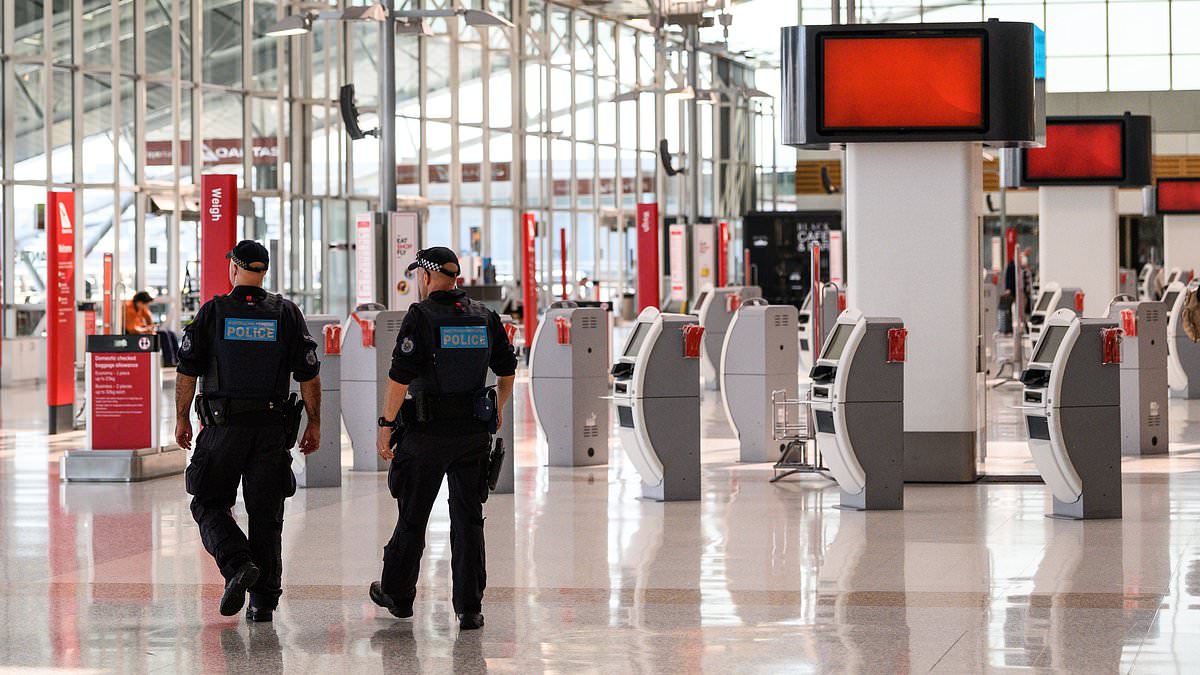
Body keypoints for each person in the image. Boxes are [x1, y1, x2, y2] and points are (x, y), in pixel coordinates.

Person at [174, 240, 323, 623]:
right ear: (264, 271)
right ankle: (263, 604)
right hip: (272, 430)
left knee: (208, 502)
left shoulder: (213, 311)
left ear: (234, 268)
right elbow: (308, 375)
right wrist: (315, 422)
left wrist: (181, 418)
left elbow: (187, 371)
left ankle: (237, 562)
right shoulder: (287, 313)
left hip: (223, 428)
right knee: (266, 515)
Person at [370, 246, 517, 631]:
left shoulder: (421, 316)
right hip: (472, 435)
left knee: (413, 516)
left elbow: (399, 378)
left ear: (427, 276)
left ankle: (398, 595)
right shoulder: (483, 316)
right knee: (468, 519)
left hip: (427, 435)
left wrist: (386, 424)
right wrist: (498, 406)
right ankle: (470, 608)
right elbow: (507, 369)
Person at [125, 291, 181, 366]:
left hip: (142, 331)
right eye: (146, 304)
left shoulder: (140, 307)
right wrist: (147, 330)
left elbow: (149, 319)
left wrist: (151, 327)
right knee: (163, 334)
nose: (146, 306)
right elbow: (131, 329)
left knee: (171, 334)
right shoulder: (129, 309)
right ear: (140, 302)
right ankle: (169, 361)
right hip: (134, 334)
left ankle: (178, 360)